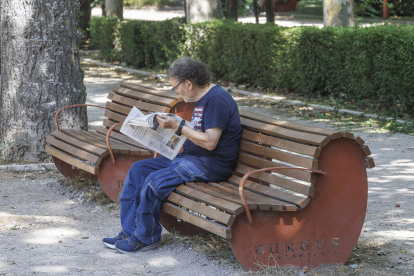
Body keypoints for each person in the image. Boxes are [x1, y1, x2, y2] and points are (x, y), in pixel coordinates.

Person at [102, 57, 242, 253]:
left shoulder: (217, 99)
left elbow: (210, 142)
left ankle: (147, 237)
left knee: (153, 182)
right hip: (192, 158)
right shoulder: (201, 98)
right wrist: (174, 124)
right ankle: (131, 231)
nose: (175, 91)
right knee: (137, 170)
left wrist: (178, 126)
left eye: (175, 87)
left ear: (188, 83)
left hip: (210, 165)